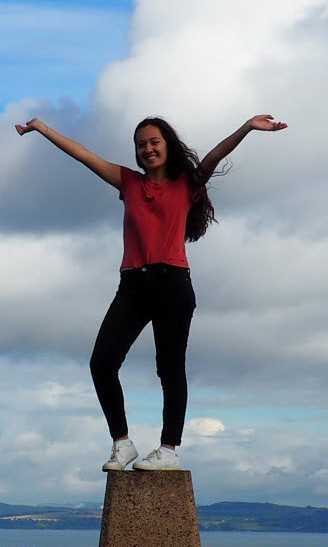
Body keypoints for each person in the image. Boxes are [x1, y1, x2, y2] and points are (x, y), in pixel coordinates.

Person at [14, 112, 288, 471]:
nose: (147, 149)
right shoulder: (127, 183)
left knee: (170, 368)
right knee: (102, 363)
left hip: (172, 282)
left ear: (167, 145)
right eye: (141, 144)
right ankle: (122, 443)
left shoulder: (186, 183)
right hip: (133, 284)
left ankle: (169, 450)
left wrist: (248, 127)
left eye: (154, 142)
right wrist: (42, 129)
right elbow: (83, 155)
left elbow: (215, 156)